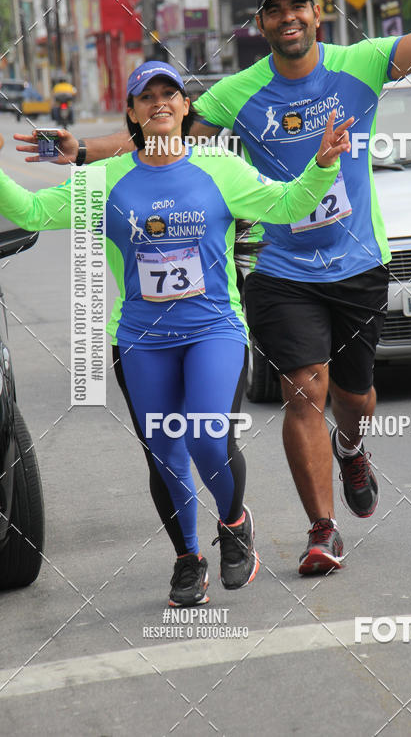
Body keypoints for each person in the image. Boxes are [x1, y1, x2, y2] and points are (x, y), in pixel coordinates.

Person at [15, 0, 411, 575]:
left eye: (296, 6)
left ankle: (353, 447)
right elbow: (162, 131)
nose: (288, 18)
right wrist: (81, 152)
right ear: (261, 25)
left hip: (358, 263)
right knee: (305, 389)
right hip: (280, 269)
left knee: (353, 396)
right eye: (274, 10)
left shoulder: (360, 65)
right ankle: (321, 530)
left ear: (316, 13)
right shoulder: (241, 91)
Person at [4, 60, 350, 604]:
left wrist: (324, 164)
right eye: (148, 96)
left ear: (186, 108)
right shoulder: (102, 181)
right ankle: (188, 559)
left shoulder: (221, 169)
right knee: (164, 453)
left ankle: (234, 524)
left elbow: (289, 204)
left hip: (213, 329)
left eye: (171, 94)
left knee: (206, 435)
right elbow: (25, 208)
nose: (160, 102)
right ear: (134, 113)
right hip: (142, 340)